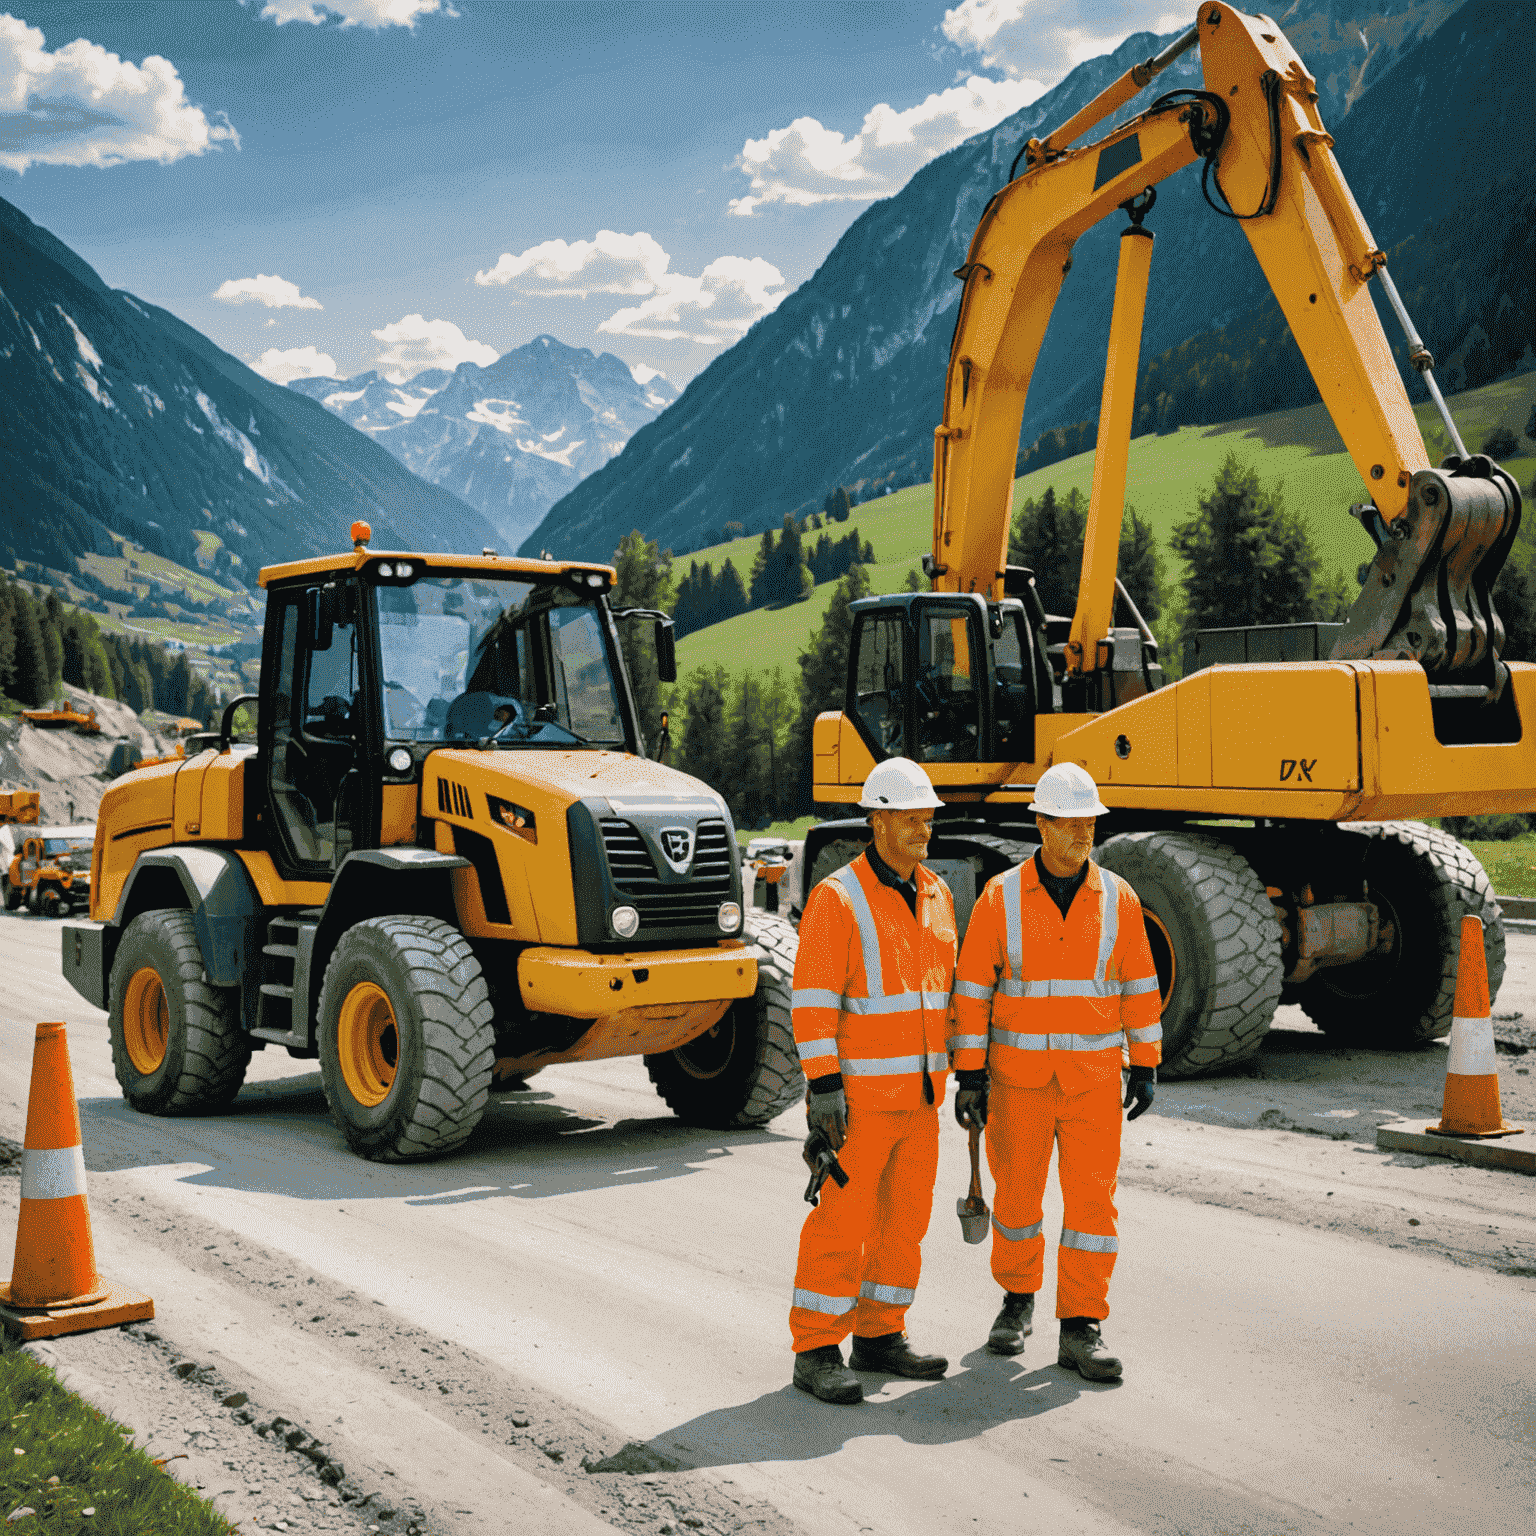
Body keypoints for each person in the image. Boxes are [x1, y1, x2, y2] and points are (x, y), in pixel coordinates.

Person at [949, 762, 1160, 1381]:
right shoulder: (1002, 898)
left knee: (1094, 1208)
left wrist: (1144, 1063)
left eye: (1090, 823)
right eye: (1070, 824)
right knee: (1017, 1202)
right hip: (1019, 1086)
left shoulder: (1118, 897)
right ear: (1041, 825)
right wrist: (971, 1075)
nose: (1083, 834)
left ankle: (1082, 1327)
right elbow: (972, 992)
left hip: (1094, 1087)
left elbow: (1140, 987)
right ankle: (1017, 1303)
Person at [788, 757, 959, 1404]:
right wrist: (824, 1090)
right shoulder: (839, 898)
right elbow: (812, 1004)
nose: (923, 829)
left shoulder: (938, 894)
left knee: (903, 1225)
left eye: (928, 818)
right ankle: (815, 1348)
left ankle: (880, 1334)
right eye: (911, 818)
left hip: (919, 1100)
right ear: (877, 819)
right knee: (841, 1225)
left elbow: (942, 999)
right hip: (857, 1103)